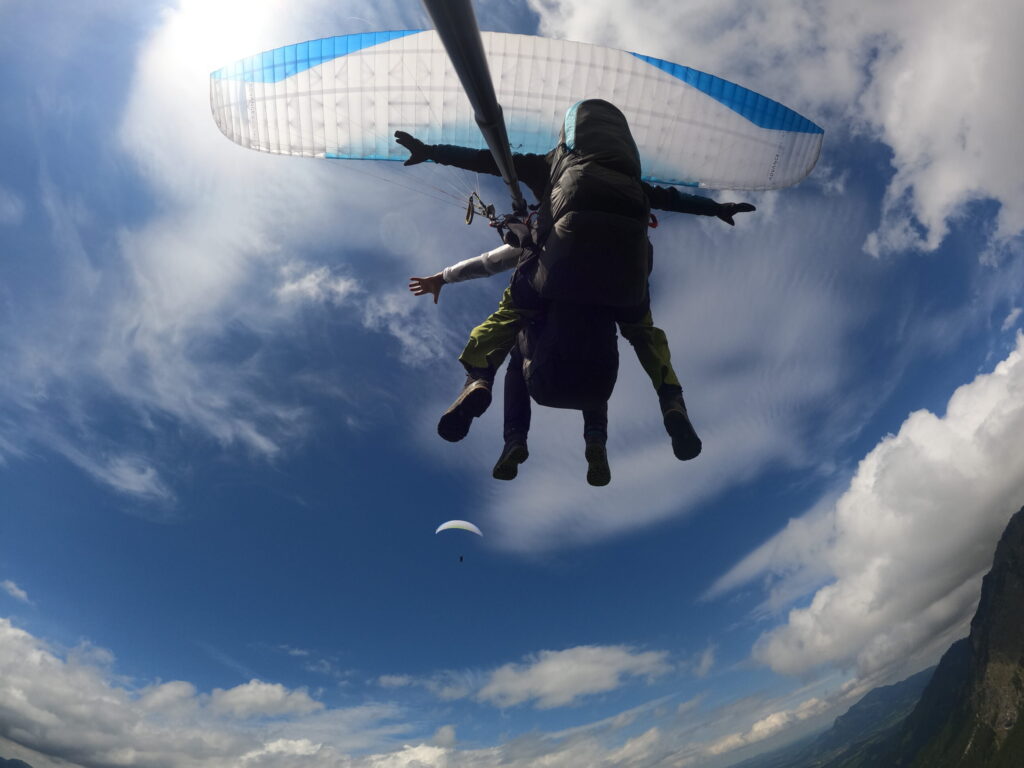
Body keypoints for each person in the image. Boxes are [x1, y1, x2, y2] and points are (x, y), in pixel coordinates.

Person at [398, 99, 755, 462]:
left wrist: (431, 152)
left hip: (562, 264)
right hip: (626, 274)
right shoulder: (635, 183)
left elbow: (489, 163)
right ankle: (670, 400)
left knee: (510, 314)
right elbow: (679, 200)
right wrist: (717, 208)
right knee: (644, 333)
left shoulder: (550, 166)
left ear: (568, 136)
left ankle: (479, 377)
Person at [410, 245, 613, 485]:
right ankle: (595, 436)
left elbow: (489, 262)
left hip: (538, 317)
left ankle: (502, 417)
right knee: (596, 351)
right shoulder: (614, 246)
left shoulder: (545, 232)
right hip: (592, 315)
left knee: (515, 354)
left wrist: (443, 277)